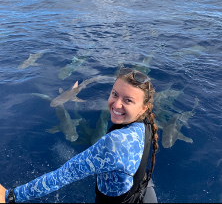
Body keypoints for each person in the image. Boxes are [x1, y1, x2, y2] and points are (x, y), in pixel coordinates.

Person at [0, 67, 159, 203]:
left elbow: (60, 177)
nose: (117, 104)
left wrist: (11, 196)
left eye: (128, 100)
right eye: (114, 94)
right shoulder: (145, 124)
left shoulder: (114, 144)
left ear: (144, 108)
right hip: (143, 194)